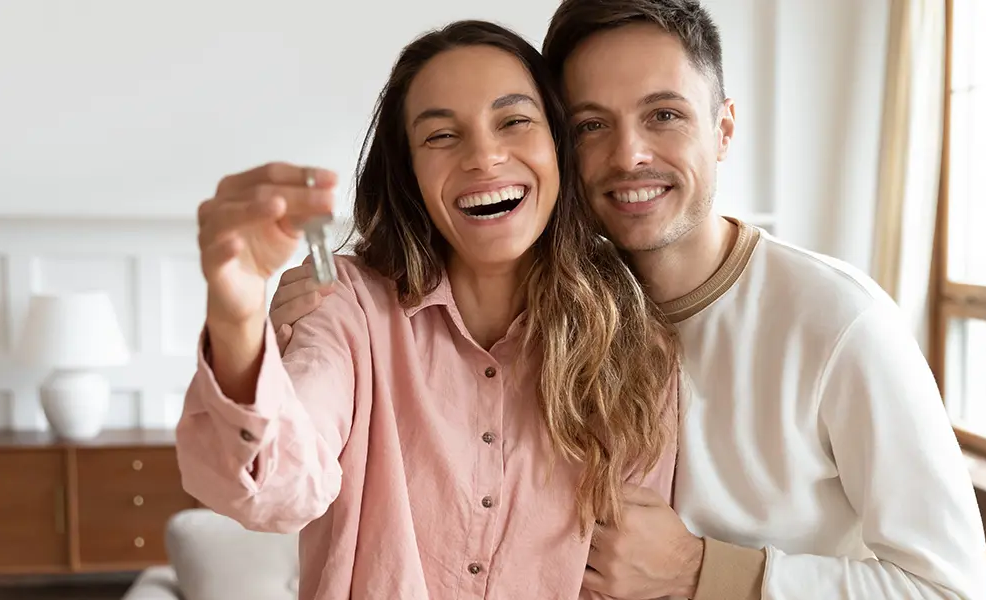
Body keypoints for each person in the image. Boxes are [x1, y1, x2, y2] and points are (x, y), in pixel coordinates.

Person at [274, 1, 986, 600]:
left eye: (665, 116)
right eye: (590, 125)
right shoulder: (549, 315)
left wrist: (706, 571)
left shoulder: (838, 323)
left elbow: (951, 590)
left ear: (724, 129)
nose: (628, 156)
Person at [177, 19, 681, 600]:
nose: (485, 157)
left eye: (514, 121)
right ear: (410, 173)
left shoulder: (631, 336)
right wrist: (236, 314)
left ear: (558, 147)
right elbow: (275, 487)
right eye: (441, 136)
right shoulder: (346, 306)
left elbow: (631, 577)